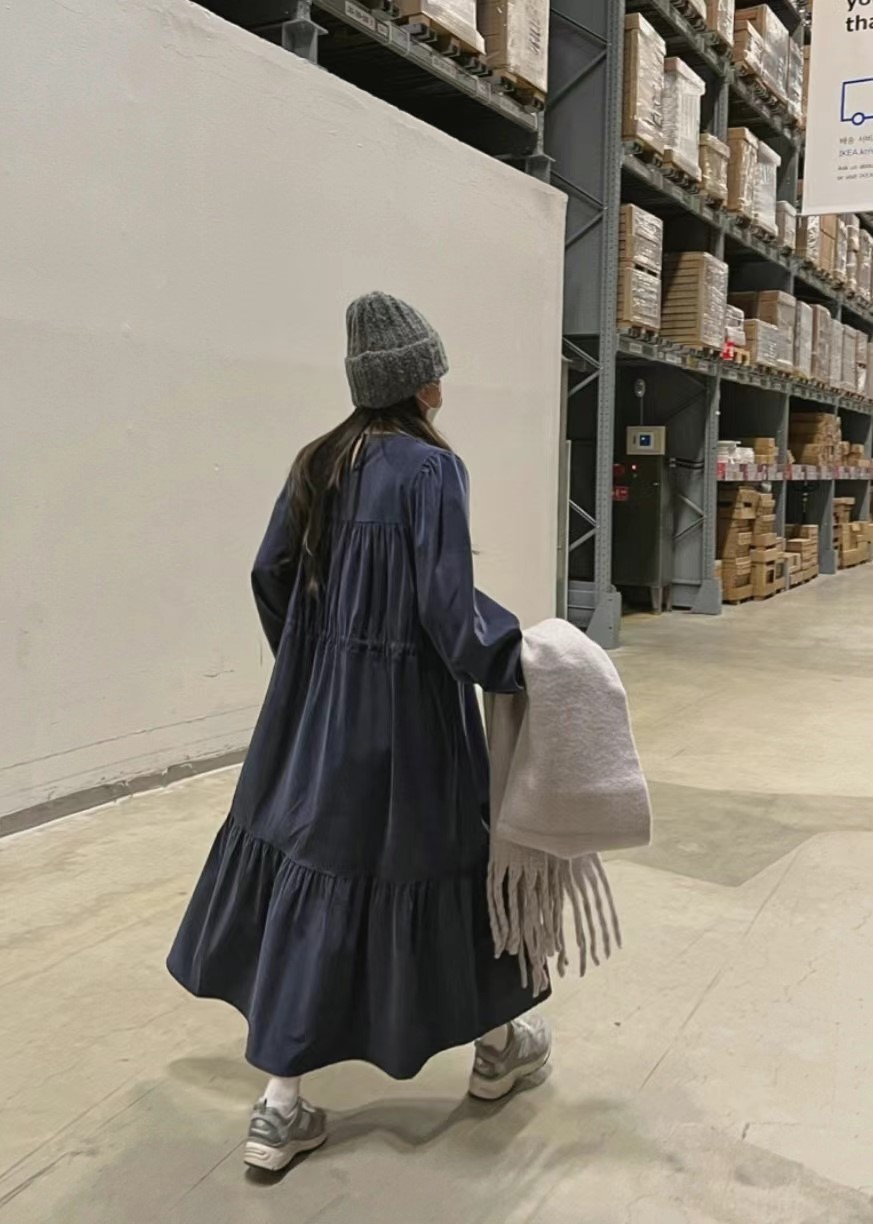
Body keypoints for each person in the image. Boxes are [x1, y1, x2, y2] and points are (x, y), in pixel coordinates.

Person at [167, 291, 550, 1173]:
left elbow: (268, 572)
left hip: (313, 714)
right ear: (417, 383)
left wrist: (311, 663)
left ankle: (280, 1106)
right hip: (409, 721)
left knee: (314, 867)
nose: (443, 381)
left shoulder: (318, 459)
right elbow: (449, 615)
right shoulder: (431, 471)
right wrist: (523, 661)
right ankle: (497, 1049)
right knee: (446, 862)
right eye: (435, 368)